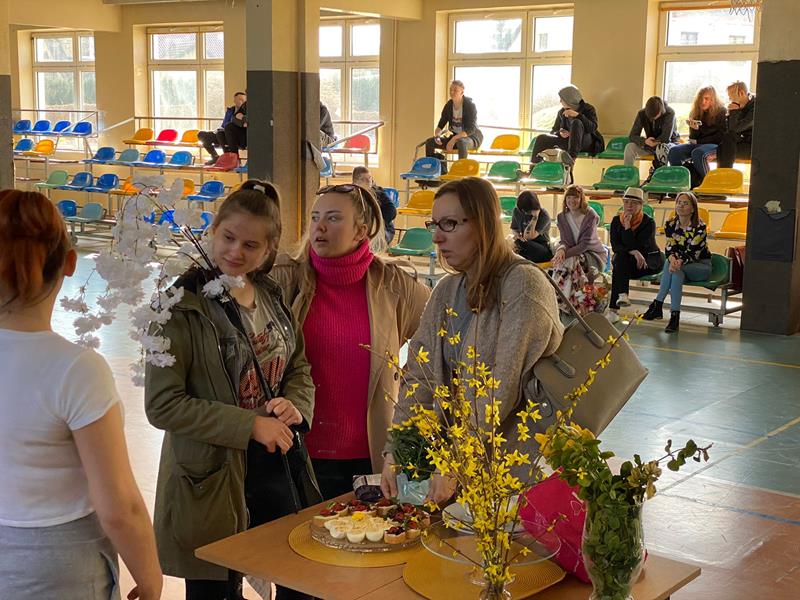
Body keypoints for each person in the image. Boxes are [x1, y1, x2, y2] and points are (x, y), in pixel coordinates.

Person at [145, 180, 316, 600]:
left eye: (251, 245)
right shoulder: (179, 306)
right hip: (210, 475)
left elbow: (298, 365)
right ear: (212, 229)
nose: (236, 252)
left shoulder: (271, 295)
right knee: (216, 592)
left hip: (275, 467)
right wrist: (248, 425)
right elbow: (163, 404)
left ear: (269, 250)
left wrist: (295, 404)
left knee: (298, 582)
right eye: (228, 237)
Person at [0, 190, 162, 599]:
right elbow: (119, 508)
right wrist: (150, 578)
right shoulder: (76, 370)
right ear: (70, 263)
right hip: (57, 564)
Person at [379, 177, 563, 505]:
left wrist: (454, 461)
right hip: (457, 471)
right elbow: (419, 376)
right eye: (434, 224)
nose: (437, 236)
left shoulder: (523, 286)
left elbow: (500, 390)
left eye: (449, 224)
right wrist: (398, 450)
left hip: (513, 476)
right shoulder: (447, 291)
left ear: (482, 224)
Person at [271, 183, 429, 500]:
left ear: (361, 230)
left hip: (369, 456)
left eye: (333, 218)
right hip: (296, 451)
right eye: (315, 217)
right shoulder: (284, 279)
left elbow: (441, 345)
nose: (319, 227)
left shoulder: (396, 284)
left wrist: (411, 402)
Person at [642, 192, 711, 333]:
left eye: (685, 203)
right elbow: (670, 247)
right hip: (679, 266)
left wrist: (677, 261)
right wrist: (673, 259)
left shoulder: (700, 227)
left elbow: (693, 252)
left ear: (693, 208)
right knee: (676, 274)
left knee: (672, 268)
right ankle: (674, 317)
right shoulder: (670, 224)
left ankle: (657, 304)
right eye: (679, 202)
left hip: (700, 266)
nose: (681, 206)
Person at [608, 187, 664, 323]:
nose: (629, 206)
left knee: (619, 264)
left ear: (641, 205)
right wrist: (633, 252)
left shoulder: (648, 222)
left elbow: (638, 245)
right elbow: (615, 246)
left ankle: (614, 308)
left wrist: (627, 227)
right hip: (627, 261)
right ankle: (622, 296)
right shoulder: (616, 221)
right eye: (626, 202)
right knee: (620, 259)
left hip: (646, 261)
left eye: (634, 203)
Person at [551, 185, 608, 314]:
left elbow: (584, 245)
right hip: (573, 252)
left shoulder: (590, 215)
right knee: (569, 261)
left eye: (575, 197)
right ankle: (568, 301)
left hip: (593, 254)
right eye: (569, 197)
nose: (572, 201)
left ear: (581, 198)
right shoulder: (562, 217)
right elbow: (566, 241)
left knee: (570, 261)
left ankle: (561, 299)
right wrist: (561, 250)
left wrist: (564, 255)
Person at [525, 84, 604, 170]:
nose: (560, 101)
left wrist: (578, 115)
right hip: (568, 142)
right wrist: (560, 133)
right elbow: (553, 131)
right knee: (541, 138)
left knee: (576, 122)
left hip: (585, 143)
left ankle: (571, 159)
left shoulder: (588, 109)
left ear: (569, 99)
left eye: (562, 99)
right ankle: (531, 170)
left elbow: (592, 127)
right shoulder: (561, 112)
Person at [667, 86, 726, 186]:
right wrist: (694, 130)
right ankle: (682, 181)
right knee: (674, 151)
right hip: (698, 144)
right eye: (701, 99)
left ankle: (709, 184)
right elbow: (693, 139)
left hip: (715, 145)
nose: (703, 101)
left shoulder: (721, 112)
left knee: (698, 153)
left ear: (713, 100)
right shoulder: (695, 113)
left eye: (706, 99)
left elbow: (721, 137)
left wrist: (700, 139)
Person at [424, 80, 484, 161]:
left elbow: (471, 129)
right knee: (430, 142)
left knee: (461, 142)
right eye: (450, 90)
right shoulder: (449, 105)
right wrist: (437, 136)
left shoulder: (470, 105)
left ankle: (461, 167)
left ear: (462, 92)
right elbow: (440, 125)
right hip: (456, 139)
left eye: (455, 90)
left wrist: (453, 139)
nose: (452, 92)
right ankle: (438, 166)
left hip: (472, 138)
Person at [624, 96, 679, 167]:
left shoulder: (670, 113)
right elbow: (632, 136)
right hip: (649, 144)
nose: (653, 119)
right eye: (650, 117)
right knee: (629, 147)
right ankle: (628, 172)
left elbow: (666, 138)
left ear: (661, 111)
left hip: (668, 144)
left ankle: (661, 173)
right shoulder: (641, 114)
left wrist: (654, 142)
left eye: (655, 116)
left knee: (661, 148)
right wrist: (645, 141)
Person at [352, 166, 398, 245]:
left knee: (371, 242)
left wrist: (376, 222)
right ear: (355, 182)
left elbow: (392, 211)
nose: (368, 182)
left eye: (369, 178)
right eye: (363, 179)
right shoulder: (351, 193)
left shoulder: (378, 192)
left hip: (383, 229)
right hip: (359, 229)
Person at [198, 91, 246, 165]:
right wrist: (218, 130)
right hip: (222, 133)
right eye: (240, 99)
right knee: (202, 134)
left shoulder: (245, 111)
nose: (242, 101)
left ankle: (229, 159)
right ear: (234, 100)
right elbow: (224, 124)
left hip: (234, 137)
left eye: (243, 100)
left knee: (220, 133)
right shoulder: (230, 110)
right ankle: (215, 156)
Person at [717, 81, 756, 168]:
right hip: (742, 142)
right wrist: (732, 113)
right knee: (721, 147)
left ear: (741, 93)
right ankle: (724, 173)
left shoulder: (756, 107)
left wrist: (734, 110)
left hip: (754, 147)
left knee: (724, 149)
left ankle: (725, 173)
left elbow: (736, 129)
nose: (730, 100)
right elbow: (730, 130)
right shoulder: (739, 107)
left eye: (731, 97)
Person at [511, 190, 553, 264]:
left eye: (526, 211)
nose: (524, 213)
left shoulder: (544, 215)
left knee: (521, 244)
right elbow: (514, 228)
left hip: (541, 247)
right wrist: (517, 235)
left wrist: (535, 217)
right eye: (522, 210)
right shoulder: (517, 211)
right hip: (524, 244)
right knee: (512, 243)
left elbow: (528, 237)